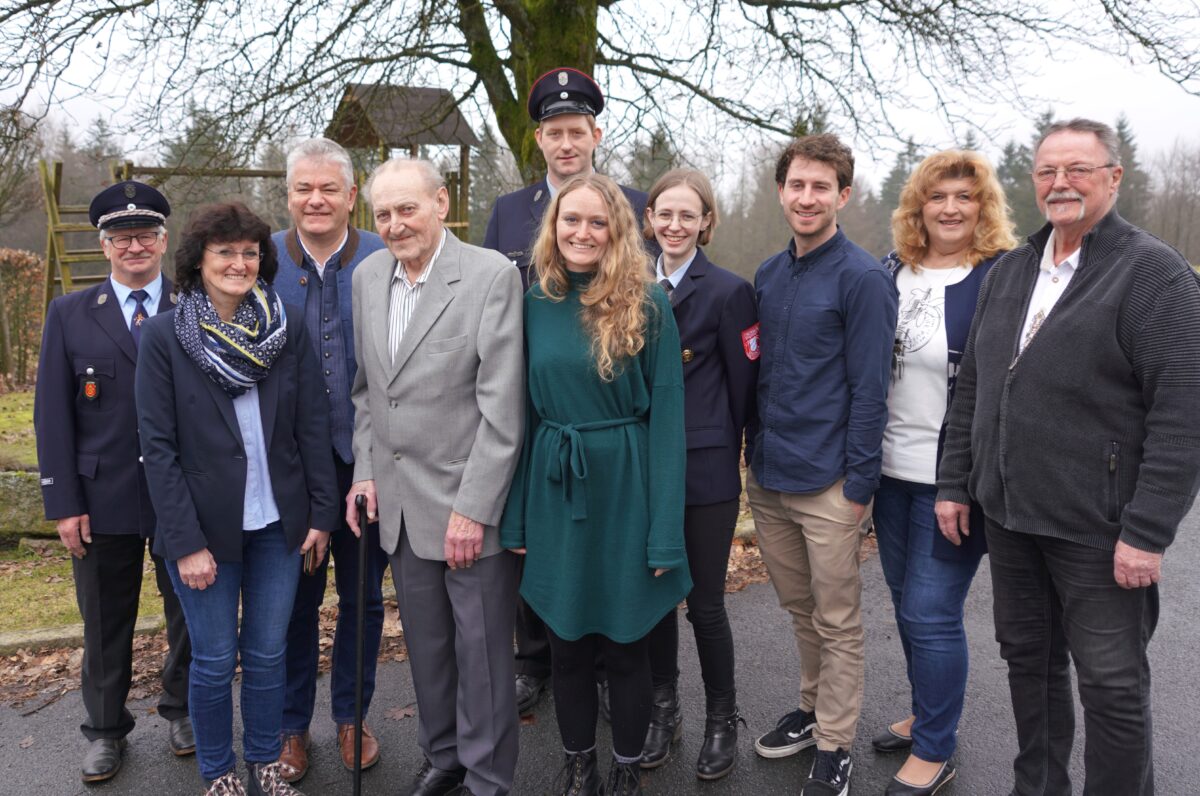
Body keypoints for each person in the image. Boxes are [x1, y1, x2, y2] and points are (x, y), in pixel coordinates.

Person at [935, 118, 1200, 796]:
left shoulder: (1153, 274)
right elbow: (975, 391)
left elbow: (1183, 412)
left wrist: (1146, 531)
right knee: (1030, 666)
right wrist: (955, 482)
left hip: (1099, 529)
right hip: (1012, 520)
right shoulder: (1012, 269)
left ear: (1114, 177)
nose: (1061, 182)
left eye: (1078, 169)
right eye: (1048, 170)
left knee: (1111, 684)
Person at [136, 202, 339, 796]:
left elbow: (312, 426)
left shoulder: (287, 325)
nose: (238, 262)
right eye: (224, 251)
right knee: (215, 659)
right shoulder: (165, 337)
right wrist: (185, 542)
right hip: (203, 533)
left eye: (249, 252)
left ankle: (264, 765)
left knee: (270, 654)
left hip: (279, 525)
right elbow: (158, 448)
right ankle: (220, 774)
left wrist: (320, 515)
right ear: (198, 261)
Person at [500, 173, 690, 796]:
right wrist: (518, 517)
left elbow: (666, 422)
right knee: (568, 644)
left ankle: (627, 769)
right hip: (556, 487)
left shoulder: (648, 302)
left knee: (627, 644)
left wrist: (666, 534)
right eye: (569, 220)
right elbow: (524, 418)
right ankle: (579, 765)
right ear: (553, 228)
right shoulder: (534, 301)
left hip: (626, 486)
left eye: (596, 222)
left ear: (617, 231)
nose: (582, 233)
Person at [348, 158, 525, 796]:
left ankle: (486, 778)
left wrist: (473, 509)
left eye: (408, 209)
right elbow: (368, 392)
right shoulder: (366, 277)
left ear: (441, 202)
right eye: (384, 214)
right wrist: (365, 471)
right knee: (427, 651)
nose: (395, 225)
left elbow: (502, 411)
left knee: (481, 659)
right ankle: (445, 755)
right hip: (396, 507)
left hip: (466, 507)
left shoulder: (489, 276)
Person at [484, 67, 655, 718]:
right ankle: (536, 660)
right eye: (553, 133)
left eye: (575, 131)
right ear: (539, 141)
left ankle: (614, 667)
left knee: (609, 550)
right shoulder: (508, 213)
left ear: (595, 135)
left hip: (607, 398)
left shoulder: (633, 204)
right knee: (539, 539)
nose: (565, 143)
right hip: (536, 397)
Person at [746, 134, 898, 796]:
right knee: (800, 609)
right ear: (781, 192)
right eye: (796, 185)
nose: (806, 197)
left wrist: (860, 485)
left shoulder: (863, 279)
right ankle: (812, 712)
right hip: (771, 476)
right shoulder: (769, 275)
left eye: (820, 186)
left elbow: (871, 390)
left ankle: (835, 742)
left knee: (838, 620)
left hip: (831, 482)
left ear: (843, 194)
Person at [33, 181, 193, 784]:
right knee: (105, 620)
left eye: (146, 234)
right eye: (122, 237)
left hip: (182, 496)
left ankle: (181, 710)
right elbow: (53, 416)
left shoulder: (196, 306)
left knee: (189, 613)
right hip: (103, 498)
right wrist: (64, 503)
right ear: (103, 245)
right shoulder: (71, 315)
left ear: (163, 240)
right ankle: (104, 730)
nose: (135, 245)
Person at [873, 150, 1017, 796]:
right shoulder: (890, 273)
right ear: (918, 207)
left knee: (932, 612)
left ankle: (936, 747)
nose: (952, 208)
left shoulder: (1000, 279)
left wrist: (961, 482)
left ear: (983, 207)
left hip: (953, 480)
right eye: (939, 197)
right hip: (888, 473)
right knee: (907, 608)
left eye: (966, 197)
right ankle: (927, 712)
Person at [271, 137, 389, 782]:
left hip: (366, 462)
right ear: (288, 195)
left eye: (328, 189)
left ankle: (351, 716)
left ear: (351, 195)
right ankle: (292, 729)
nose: (315, 200)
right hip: (290, 472)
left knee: (364, 598)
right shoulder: (259, 260)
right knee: (294, 601)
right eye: (302, 189)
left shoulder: (382, 254)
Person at [636, 168, 757, 780]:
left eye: (688, 215)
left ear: (705, 221)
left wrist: (725, 448)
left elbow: (743, 388)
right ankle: (663, 709)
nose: (675, 225)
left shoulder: (728, 291)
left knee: (704, 605)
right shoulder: (631, 285)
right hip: (642, 470)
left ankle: (719, 717)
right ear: (649, 219)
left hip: (704, 469)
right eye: (665, 214)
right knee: (656, 600)